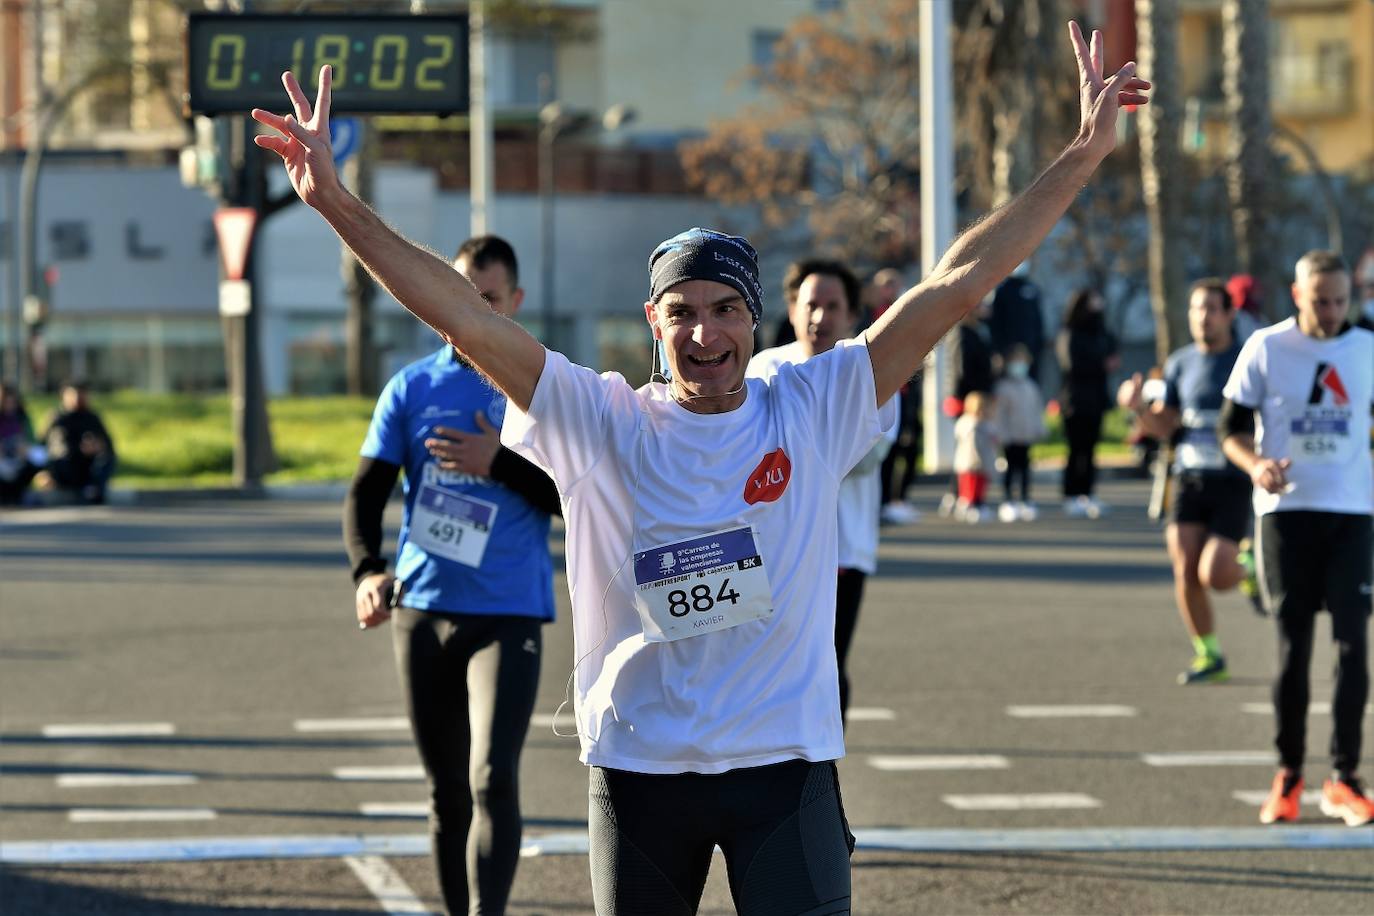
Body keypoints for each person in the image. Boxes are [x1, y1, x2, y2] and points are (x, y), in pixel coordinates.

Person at [254, 24, 1148, 911]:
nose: (705, 334)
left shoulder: (814, 405)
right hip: (642, 770)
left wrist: (1081, 153)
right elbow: (462, 315)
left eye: (726, 310)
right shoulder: (598, 417)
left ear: (756, 321)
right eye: (682, 312)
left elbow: (956, 284)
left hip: (784, 767)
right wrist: (332, 199)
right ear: (654, 321)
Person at [343, 235, 562, 914]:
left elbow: (575, 495)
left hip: (507, 613)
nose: (472, 311)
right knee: (446, 791)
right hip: (425, 610)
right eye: (460, 295)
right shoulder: (412, 387)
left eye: (488, 299)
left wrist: (496, 460)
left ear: (515, 302)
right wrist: (368, 570)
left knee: (492, 777)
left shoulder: (541, 385)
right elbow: (365, 495)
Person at [1219, 250, 1373, 828]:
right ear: (1296, 294)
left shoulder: (1366, 347)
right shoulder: (1266, 347)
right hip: (1285, 513)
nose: (1331, 313)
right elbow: (1228, 428)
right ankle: (1288, 774)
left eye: (1340, 301)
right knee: (1294, 647)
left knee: (1354, 645)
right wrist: (1255, 464)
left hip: (1353, 512)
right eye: (1320, 301)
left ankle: (1344, 779)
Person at [747, 258, 896, 725]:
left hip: (841, 551)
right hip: (767, 548)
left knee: (827, 661)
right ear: (792, 309)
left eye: (833, 306)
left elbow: (865, 457)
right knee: (761, 661)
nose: (820, 317)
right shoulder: (762, 368)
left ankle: (822, 772)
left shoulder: (869, 373)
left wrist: (788, 438)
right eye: (810, 304)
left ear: (851, 314)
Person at [1120, 278, 1254, 686]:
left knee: (1214, 574)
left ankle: (1251, 570)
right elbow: (1167, 425)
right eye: (1197, 309)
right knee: (1185, 570)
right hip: (1190, 479)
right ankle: (1209, 654)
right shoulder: (1180, 363)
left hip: (1233, 479)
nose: (1203, 317)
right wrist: (1139, 407)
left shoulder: (1246, 360)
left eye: (1212, 309)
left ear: (1229, 315)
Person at [1056, 288, 1119, 518]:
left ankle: (1087, 493)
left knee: (1091, 450)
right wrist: (1100, 365)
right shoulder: (1070, 332)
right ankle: (1071, 494)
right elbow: (1071, 364)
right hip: (1075, 400)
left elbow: (1112, 346)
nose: (1098, 304)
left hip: (1096, 399)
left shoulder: (1100, 330)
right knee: (1076, 449)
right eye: (1093, 300)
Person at [871, 268, 923, 526]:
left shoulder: (905, 315)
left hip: (904, 392)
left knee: (910, 446)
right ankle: (883, 502)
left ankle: (898, 499)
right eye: (887, 284)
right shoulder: (869, 317)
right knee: (885, 452)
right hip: (880, 393)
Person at [938, 301, 996, 517]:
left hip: (976, 400)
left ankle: (958, 495)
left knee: (971, 452)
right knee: (969, 454)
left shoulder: (979, 330)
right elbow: (963, 369)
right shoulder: (962, 333)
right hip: (969, 401)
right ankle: (961, 496)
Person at [992, 344, 1046, 521]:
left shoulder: (1031, 387)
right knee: (1010, 469)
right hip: (1010, 437)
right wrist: (1001, 434)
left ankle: (1025, 499)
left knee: (1025, 469)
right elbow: (999, 415)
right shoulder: (1003, 388)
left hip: (1026, 436)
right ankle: (1008, 500)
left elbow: (1037, 410)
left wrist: (1039, 429)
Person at [41, 381, 115, 505]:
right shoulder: (58, 418)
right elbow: (45, 445)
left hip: (87, 464)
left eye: (81, 395)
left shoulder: (92, 418)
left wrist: (98, 447)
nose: (77, 399)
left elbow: (107, 444)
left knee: (107, 460)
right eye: (73, 395)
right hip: (64, 463)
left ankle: (94, 490)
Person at [987, 263, 1046, 384]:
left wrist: (1037, 349)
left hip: (1031, 353)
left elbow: (1038, 323)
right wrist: (999, 350)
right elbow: (996, 324)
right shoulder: (1002, 290)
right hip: (1009, 353)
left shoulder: (1032, 289)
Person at [952, 391, 998, 523]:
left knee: (980, 485)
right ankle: (969, 505)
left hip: (983, 462)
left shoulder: (986, 424)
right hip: (971, 461)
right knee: (969, 485)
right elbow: (973, 445)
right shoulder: (970, 424)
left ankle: (979, 504)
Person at [0, 382, 41, 506]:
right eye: (6, 402)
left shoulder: (22, 418)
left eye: (12, 402)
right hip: (2, 460)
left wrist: (25, 447)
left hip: (19, 458)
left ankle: (20, 493)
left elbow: (32, 440)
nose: (10, 405)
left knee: (39, 456)